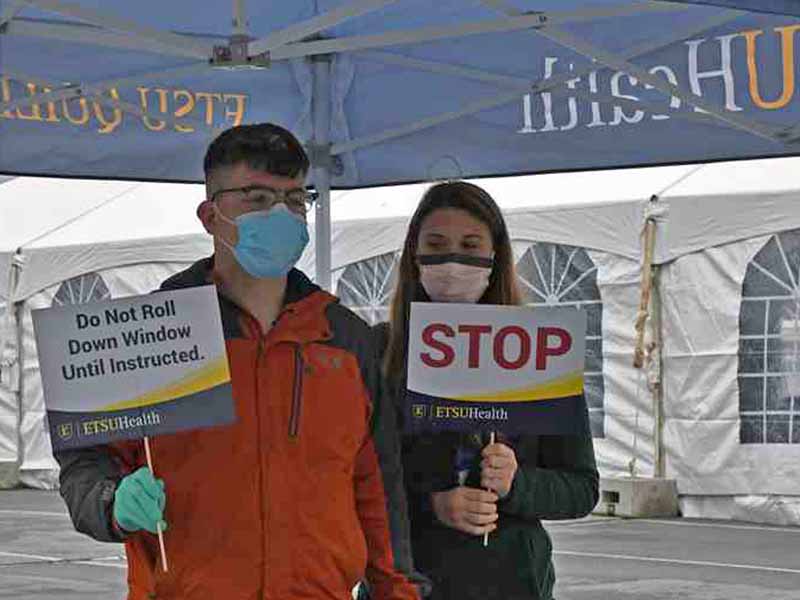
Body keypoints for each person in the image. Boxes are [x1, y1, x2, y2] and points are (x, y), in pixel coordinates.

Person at [55, 123, 421, 600]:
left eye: (295, 200)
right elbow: (86, 461)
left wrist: (397, 590)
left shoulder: (344, 339)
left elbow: (378, 486)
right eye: (257, 198)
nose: (281, 214)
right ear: (210, 216)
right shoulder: (150, 332)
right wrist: (112, 501)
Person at [376, 181, 599, 600]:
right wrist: (430, 504)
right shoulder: (379, 350)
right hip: (404, 582)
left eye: (470, 245)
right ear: (413, 254)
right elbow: (352, 478)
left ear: (495, 256)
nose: (452, 261)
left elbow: (581, 489)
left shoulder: (539, 352)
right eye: (436, 245)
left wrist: (518, 484)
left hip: (513, 583)